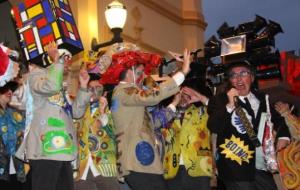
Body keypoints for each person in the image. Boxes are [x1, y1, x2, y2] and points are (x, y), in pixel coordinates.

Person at [99, 49, 191, 190]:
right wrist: (182, 72)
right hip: (137, 160)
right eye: (140, 72)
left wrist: (173, 105)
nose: (144, 76)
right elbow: (150, 96)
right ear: (130, 71)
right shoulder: (124, 91)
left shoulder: (127, 96)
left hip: (140, 161)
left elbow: (151, 124)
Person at [15, 42, 91, 190]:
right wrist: (57, 62)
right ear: (51, 58)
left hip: (64, 150)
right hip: (45, 151)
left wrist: (83, 87)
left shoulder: (59, 84)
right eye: (63, 57)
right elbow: (51, 87)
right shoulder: (36, 76)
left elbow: (76, 113)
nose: (67, 62)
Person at [207, 61, 290, 190]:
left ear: (252, 77)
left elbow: (278, 120)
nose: (238, 78)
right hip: (235, 165)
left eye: (243, 73)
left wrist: (284, 136)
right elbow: (214, 126)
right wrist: (229, 105)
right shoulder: (220, 100)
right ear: (230, 81)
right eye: (233, 75)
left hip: (261, 164)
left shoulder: (263, 99)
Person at [161, 85, 213, 190]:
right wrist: (173, 104)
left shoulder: (202, 112)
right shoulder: (167, 114)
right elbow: (155, 122)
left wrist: (201, 97)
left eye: (186, 95)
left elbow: (219, 111)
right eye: (179, 95)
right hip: (172, 169)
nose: (182, 98)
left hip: (199, 167)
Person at [74, 73, 120, 190]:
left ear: (104, 93)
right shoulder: (78, 110)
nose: (94, 91)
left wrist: (103, 112)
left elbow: (115, 133)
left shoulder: (113, 111)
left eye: (98, 88)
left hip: (105, 165)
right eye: (90, 89)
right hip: (83, 165)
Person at [0, 81, 27, 190]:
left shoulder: (16, 113)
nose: (10, 91)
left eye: (11, 89)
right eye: (5, 88)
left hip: (17, 168)